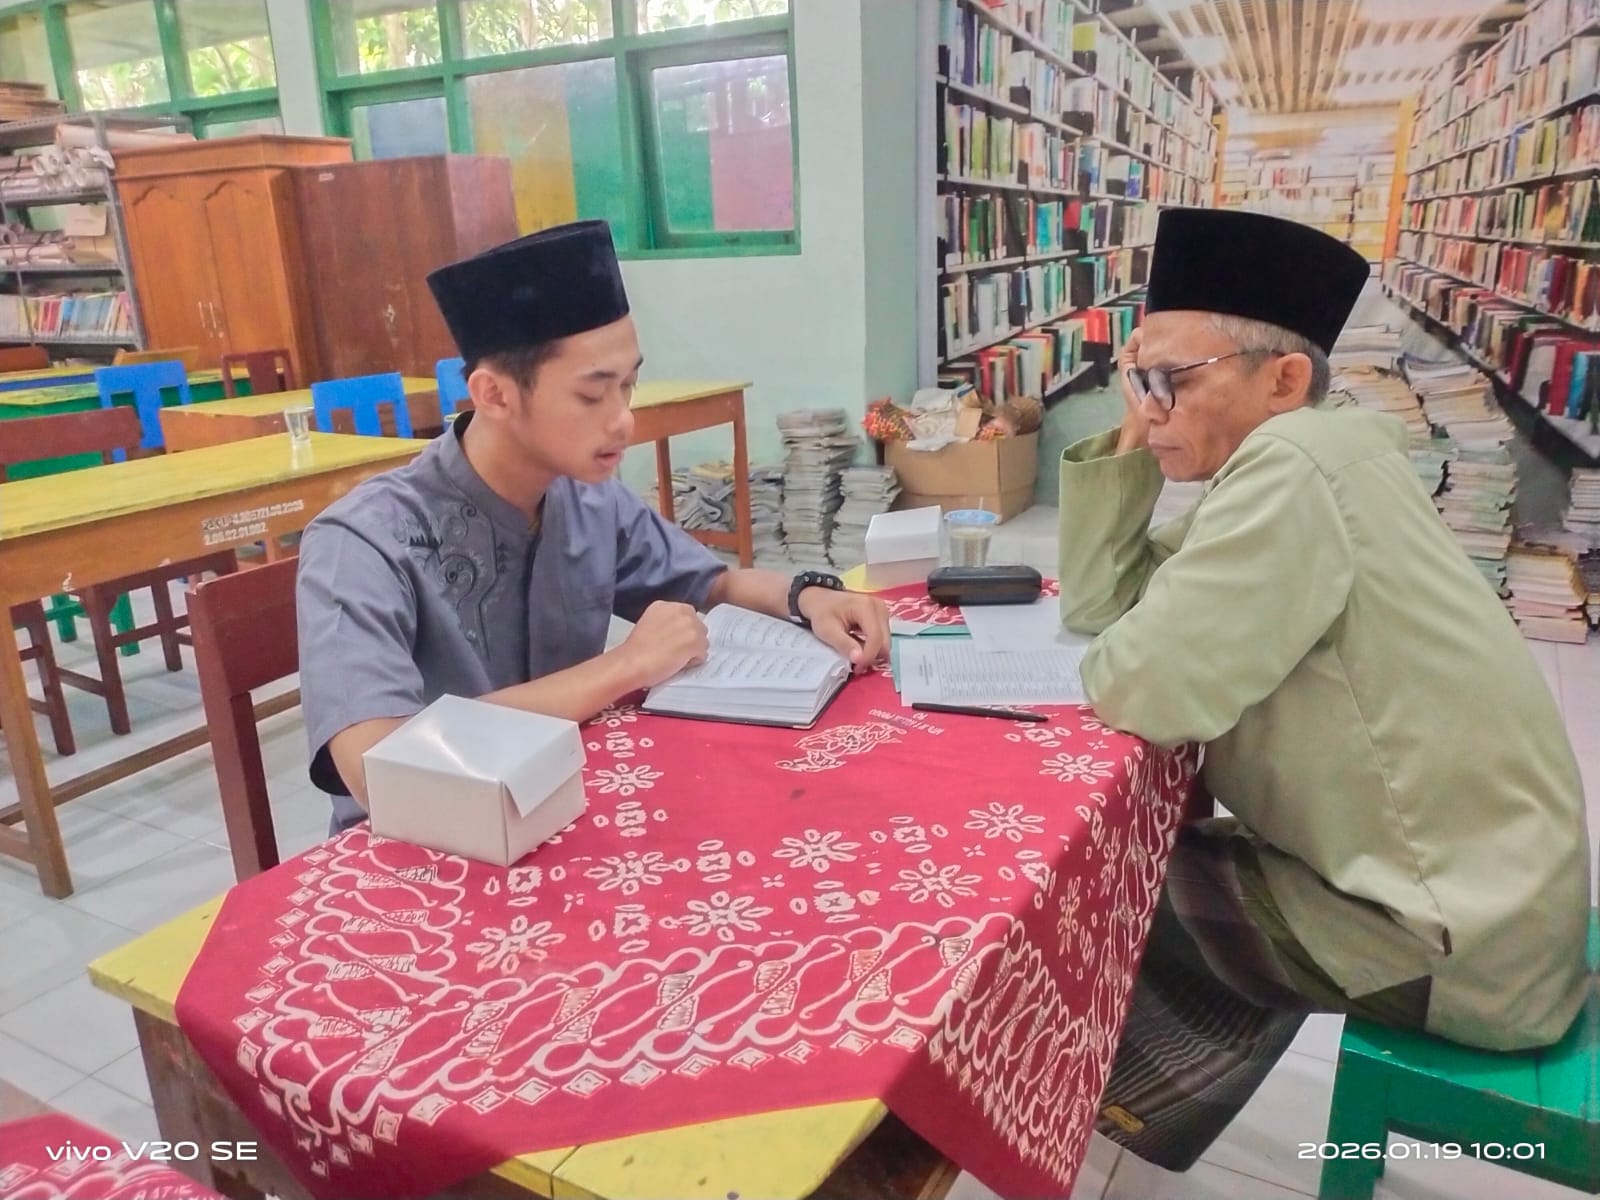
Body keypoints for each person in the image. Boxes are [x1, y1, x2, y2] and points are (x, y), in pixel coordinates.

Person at [1056, 207, 1591, 1169]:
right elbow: (1108, 600)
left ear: (1285, 380)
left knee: (1095, 884)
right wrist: (1145, 423)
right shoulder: (1323, 445)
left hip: (1445, 936)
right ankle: (1129, 1105)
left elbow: (1136, 685)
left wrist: (1151, 627)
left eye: (1171, 380)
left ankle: (1094, 1118)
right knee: (1148, 849)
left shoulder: (1293, 469)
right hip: (1488, 897)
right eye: (1138, 379)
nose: (1151, 408)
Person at [296, 220, 890, 829]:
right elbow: (377, 766)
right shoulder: (365, 541)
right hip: (424, 843)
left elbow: (711, 584)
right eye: (591, 395)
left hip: (561, 805)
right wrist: (625, 666)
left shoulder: (585, 497)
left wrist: (810, 596)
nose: (624, 420)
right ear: (494, 395)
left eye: (628, 386)